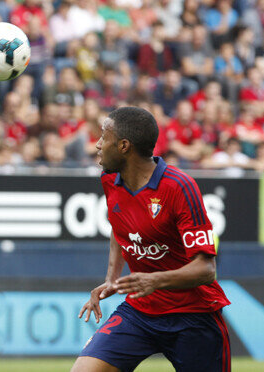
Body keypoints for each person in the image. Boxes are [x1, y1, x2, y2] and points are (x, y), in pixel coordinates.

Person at [71, 107, 231, 372]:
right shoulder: (110, 178)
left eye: (103, 136)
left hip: (194, 316)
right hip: (140, 311)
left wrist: (153, 279)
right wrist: (113, 278)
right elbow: (118, 224)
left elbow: (206, 269)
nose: (97, 144)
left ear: (124, 146)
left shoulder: (179, 187)